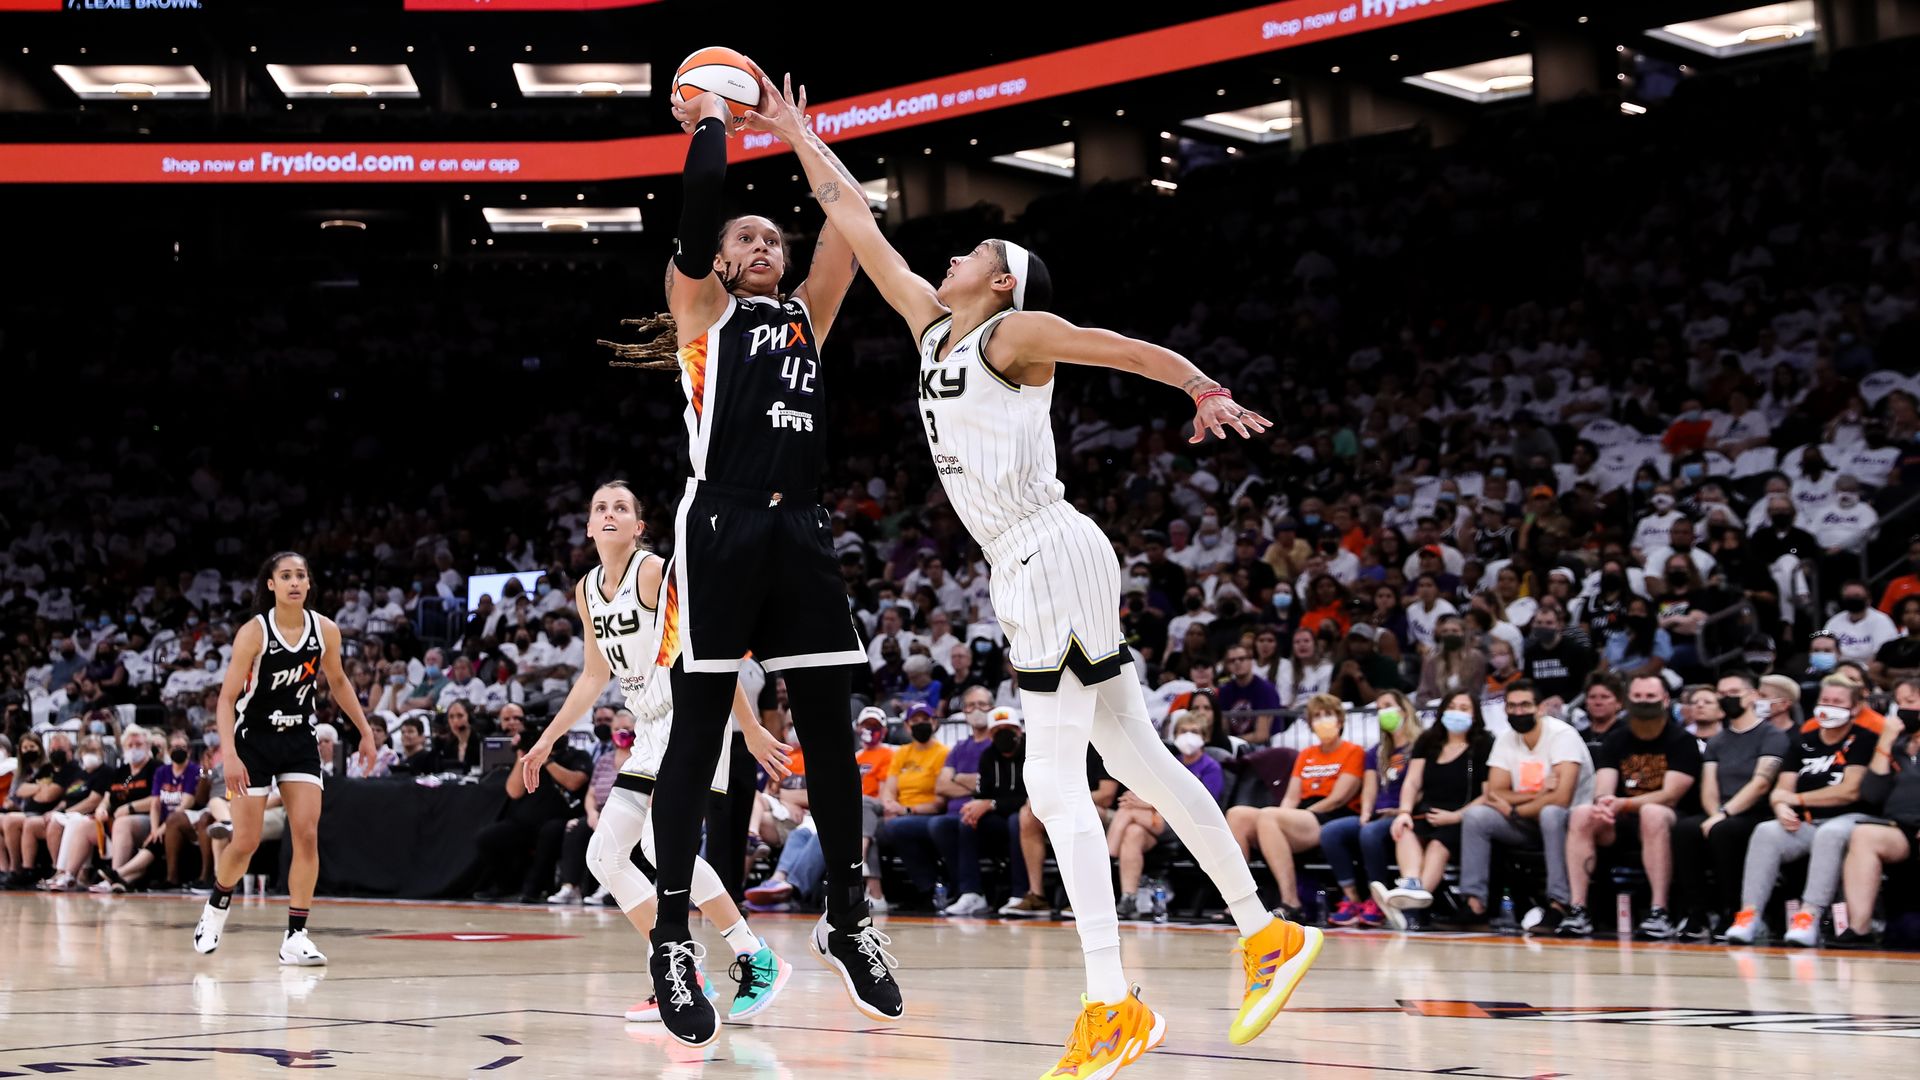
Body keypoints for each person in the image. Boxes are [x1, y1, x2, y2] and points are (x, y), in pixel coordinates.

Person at [748, 72, 1317, 1069]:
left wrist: (1200, 386)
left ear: (1004, 280)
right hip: (1031, 563)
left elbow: (1116, 346)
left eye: (976, 252)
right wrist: (799, 133)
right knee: (1139, 762)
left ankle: (1112, 1002)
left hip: (1048, 550)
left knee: (1053, 785)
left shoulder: (1013, 335)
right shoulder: (933, 326)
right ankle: (1265, 933)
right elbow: (853, 217)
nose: (954, 254)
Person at [607, 80, 895, 1047]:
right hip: (721, 522)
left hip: (802, 527)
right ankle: (672, 944)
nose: (763, 245)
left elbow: (851, 220)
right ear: (721, 261)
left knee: (830, 730)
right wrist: (714, 123)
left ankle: (848, 917)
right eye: (747, 238)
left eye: (773, 237)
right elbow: (699, 206)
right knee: (697, 736)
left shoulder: (809, 313)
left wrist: (800, 134)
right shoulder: (701, 309)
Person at [518, 482, 792, 1024]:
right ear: (589, 527)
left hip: (689, 718)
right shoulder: (586, 589)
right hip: (648, 727)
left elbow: (707, 648)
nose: (610, 513)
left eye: (621, 507)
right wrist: (547, 738)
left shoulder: (651, 573)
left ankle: (749, 957)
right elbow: (594, 675)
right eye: (600, 508)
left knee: (659, 848)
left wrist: (751, 727)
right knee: (605, 856)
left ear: (638, 526)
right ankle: (684, 966)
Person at [192, 552, 379, 966]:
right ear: (271, 584)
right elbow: (226, 699)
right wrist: (229, 755)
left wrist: (365, 731)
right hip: (253, 741)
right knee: (245, 841)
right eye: (286, 576)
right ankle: (216, 907)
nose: (295, 582)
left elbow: (339, 681)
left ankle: (296, 936)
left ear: (308, 584)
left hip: (298, 738)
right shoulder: (254, 633)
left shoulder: (325, 629)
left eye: (301, 576)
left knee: (307, 835)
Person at [1726, 676, 1876, 946]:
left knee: (1829, 833)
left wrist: (1795, 799)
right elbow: (1781, 790)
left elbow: (1850, 790)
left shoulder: (1863, 740)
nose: (1829, 706)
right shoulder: (1802, 741)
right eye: (1825, 700)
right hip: (1807, 821)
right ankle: (1749, 915)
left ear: (1854, 708)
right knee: (1766, 831)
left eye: (1837, 702)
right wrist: (1781, 807)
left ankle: (1809, 916)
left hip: (1852, 819)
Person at [1557, 676, 1700, 938]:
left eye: (1650, 697)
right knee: (1582, 814)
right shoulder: (1616, 739)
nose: (1644, 702)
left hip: (1670, 818)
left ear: (1665, 700)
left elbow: (1669, 796)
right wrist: (1603, 804)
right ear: (1628, 701)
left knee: (1651, 813)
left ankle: (1659, 911)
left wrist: (1623, 803)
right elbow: (1604, 787)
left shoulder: (1682, 740)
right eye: (1638, 697)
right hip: (1621, 817)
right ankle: (1578, 909)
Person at [1457, 680, 1594, 927]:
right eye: (1512, 706)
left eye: (1525, 705)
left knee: (1551, 813)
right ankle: (1474, 904)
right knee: (1476, 817)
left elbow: (1561, 799)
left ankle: (1559, 904)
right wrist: (1540, 793)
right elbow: (1496, 791)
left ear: (1540, 708)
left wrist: (1514, 809)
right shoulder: (1506, 739)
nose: (1518, 712)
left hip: (1570, 823)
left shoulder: (1563, 736)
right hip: (1526, 821)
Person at [1670, 670, 1789, 941]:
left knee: (1724, 831)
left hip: (1757, 812)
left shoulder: (1771, 735)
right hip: (1722, 812)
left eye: (1733, 693)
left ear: (1753, 696)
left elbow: (1761, 783)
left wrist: (1724, 814)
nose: (1727, 698)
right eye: (1722, 694)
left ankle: (1733, 911)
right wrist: (1715, 813)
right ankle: (1697, 913)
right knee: (1684, 830)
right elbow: (1709, 785)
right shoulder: (1718, 741)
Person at [1227, 693, 1364, 922]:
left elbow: (1338, 798)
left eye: (1328, 714)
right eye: (1316, 716)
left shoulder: (1353, 751)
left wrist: (1288, 817)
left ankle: (1291, 901)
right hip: (1302, 813)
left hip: (1330, 814)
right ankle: (1241, 901)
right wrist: (1286, 815)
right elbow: (1291, 797)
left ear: (1340, 720)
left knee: (1269, 816)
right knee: (1237, 815)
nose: (1322, 720)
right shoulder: (1307, 754)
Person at [1377, 691, 1493, 931]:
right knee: (1404, 830)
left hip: (1463, 816)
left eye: (1464, 708)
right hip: (1427, 811)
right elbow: (1412, 782)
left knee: (1438, 844)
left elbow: (1488, 793)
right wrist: (1404, 812)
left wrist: (1456, 816)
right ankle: (1410, 885)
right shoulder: (1428, 741)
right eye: (1452, 706)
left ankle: (1410, 907)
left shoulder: (1483, 744)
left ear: (1475, 714)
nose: (1457, 712)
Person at [1833, 679, 1920, 946]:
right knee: (1863, 835)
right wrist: (1886, 740)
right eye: (1899, 703)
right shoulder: (1897, 746)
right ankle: (1859, 928)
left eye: (1910, 702)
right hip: (1899, 828)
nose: (1903, 709)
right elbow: (1872, 793)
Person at [1324, 691, 1419, 929]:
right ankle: (1352, 898)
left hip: (1405, 814)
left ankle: (1377, 900)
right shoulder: (1375, 752)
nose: (1383, 712)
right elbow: (1369, 787)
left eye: (1388, 705)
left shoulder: (1419, 747)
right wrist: (1365, 813)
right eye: (1379, 708)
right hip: (1378, 814)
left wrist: (1403, 810)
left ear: (1404, 710)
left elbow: (1420, 785)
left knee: (1370, 833)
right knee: (1331, 832)